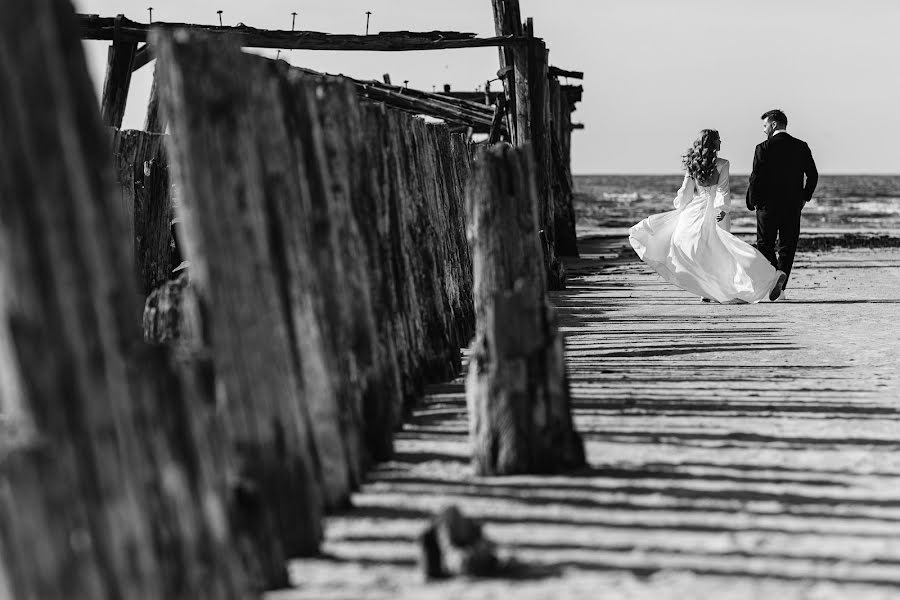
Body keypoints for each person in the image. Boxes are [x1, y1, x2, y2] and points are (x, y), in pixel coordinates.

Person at [629, 129, 786, 304]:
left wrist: (680, 208)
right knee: (727, 251)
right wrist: (722, 208)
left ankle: (715, 289)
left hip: (695, 211)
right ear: (712, 143)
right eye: (719, 139)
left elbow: (686, 193)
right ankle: (768, 277)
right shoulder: (723, 163)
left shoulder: (693, 164)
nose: (721, 142)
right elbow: (722, 190)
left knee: (699, 251)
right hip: (716, 211)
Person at [746, 109, 818, 301]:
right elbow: (813, 175)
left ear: (774, 124)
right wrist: (805, 197)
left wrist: (751, 201)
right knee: (788, 245)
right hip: (792, 205)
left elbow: (755, 178)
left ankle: (774, 280)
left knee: (765, 244)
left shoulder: (763, 147)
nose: (764, 130)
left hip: (766, 206)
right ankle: (780, 284)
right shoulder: (801, 147)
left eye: (765, 125)